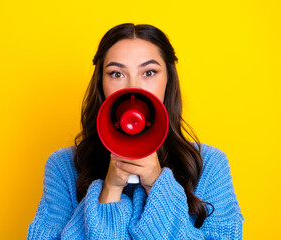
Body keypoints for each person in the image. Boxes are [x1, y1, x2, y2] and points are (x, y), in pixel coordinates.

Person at [27, 23, 243, 239]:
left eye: (149, 72)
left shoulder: (209, 164)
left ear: (168, 80)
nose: (133, 87)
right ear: (100, 82)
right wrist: (109, 191)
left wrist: (157, 186)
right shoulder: (63, 166)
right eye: (116, 74)